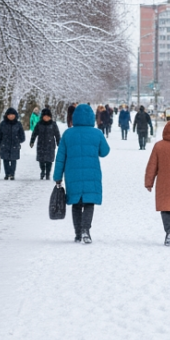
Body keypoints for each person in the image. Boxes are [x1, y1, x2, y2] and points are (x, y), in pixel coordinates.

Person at [53, 103, 110, 243]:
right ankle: (86, 230)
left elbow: (60, 157)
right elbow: (105, 152)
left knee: (76, 204)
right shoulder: (97, 133)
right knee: (89, 202)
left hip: (73, 174)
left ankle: (78, 233)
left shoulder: (68, 133)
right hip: (92, 173)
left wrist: (57, 177)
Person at [29, 108, 61, 180]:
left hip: (50, 145)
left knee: (49, 160)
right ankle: (43, 170)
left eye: (48, 116)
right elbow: (34, 133)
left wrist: (59, 142)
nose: (46, 118)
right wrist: (32, 141)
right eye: (45, 116)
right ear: (42, 116)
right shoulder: (39, 124)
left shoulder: (53, 124)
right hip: (41, 144)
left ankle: (48, 173)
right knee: (41, 160)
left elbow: (57, 134)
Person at [0, 107, 26, 180]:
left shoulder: (18, 124)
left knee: (13, 160)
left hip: (15, 146)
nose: (11, 116)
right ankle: (7, 174)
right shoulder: (3, 124)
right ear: (6, 115)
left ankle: (12, 174)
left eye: (12, 115)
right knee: (5, 160)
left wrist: (18, 140)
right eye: (9, 115)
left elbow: (22, 135)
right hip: (4, 145)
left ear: (15, 115)